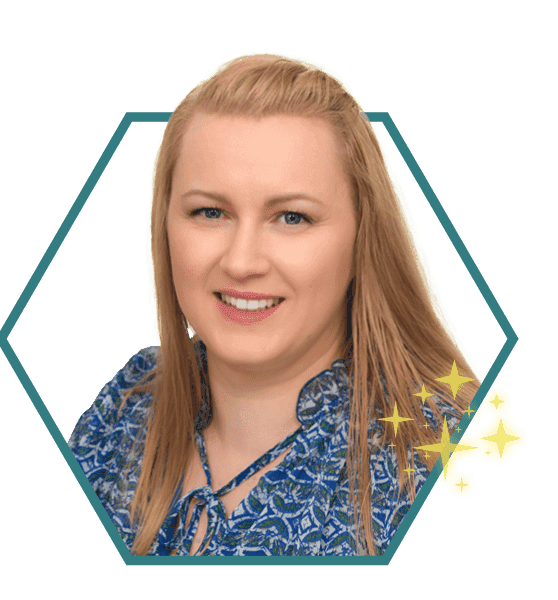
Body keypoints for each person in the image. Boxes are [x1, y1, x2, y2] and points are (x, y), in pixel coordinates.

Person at [68, 52, 480, 557]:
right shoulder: (127, 408)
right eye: (210, 212)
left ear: (362, 240)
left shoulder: (450, 463)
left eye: (291, 218)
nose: (242, 262)